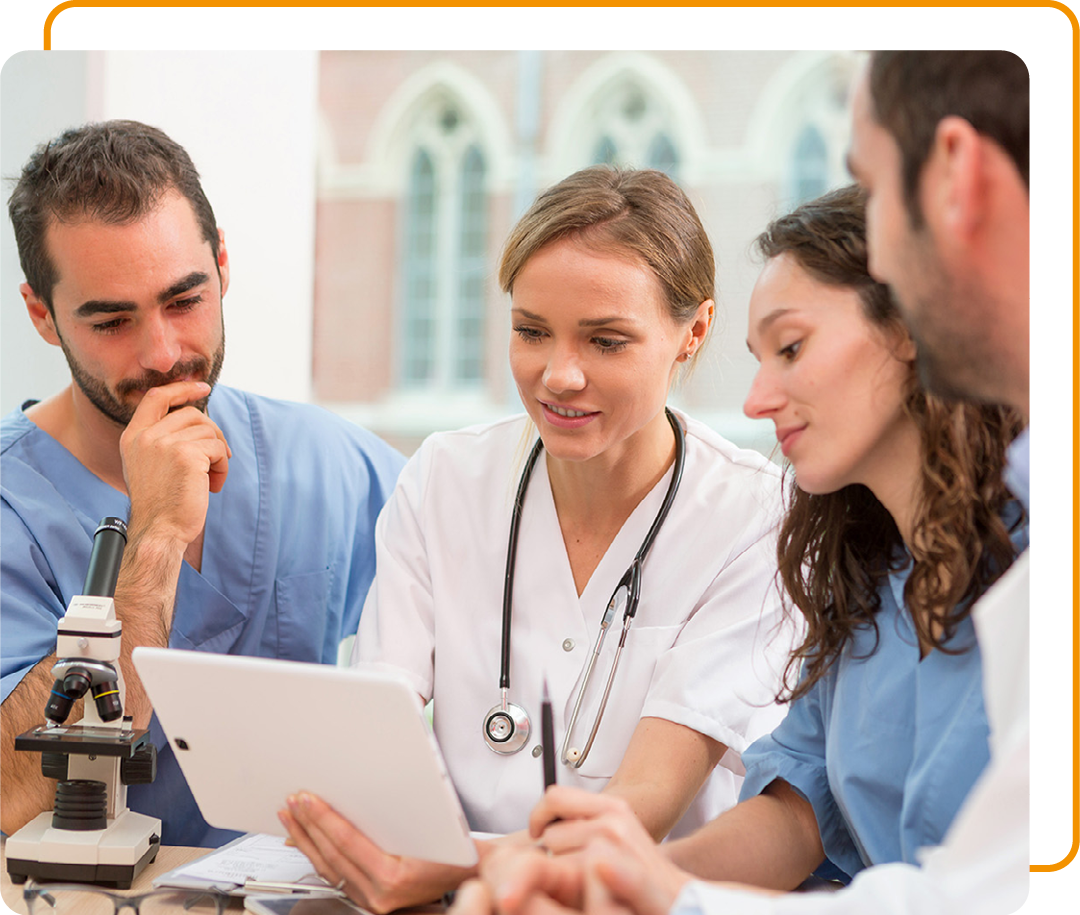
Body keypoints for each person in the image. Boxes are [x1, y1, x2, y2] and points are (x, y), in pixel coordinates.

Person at [451, 48, 1073, 914]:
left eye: (792, 348)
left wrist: (675, 896)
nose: (756, 398)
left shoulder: (1046, 534)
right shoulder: (866, 579)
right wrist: (633, 879)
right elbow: (802, 807)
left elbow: (1013, 892)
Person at [278, 166, 796, 912]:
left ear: (695, 332)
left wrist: (457, 863)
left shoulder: (754, 515)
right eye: (530, 332)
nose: (559, 375)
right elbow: (381, 719)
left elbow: (645, 796)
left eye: (606, 340)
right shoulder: (444, 480)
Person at [0, 120, 406, 847]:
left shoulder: (321, 457)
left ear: (221, 266)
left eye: (184, 301)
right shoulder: (12, 506)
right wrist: (154, 539)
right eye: (112, 320)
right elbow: (5, 793)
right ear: (42, 315)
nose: (163, 353)